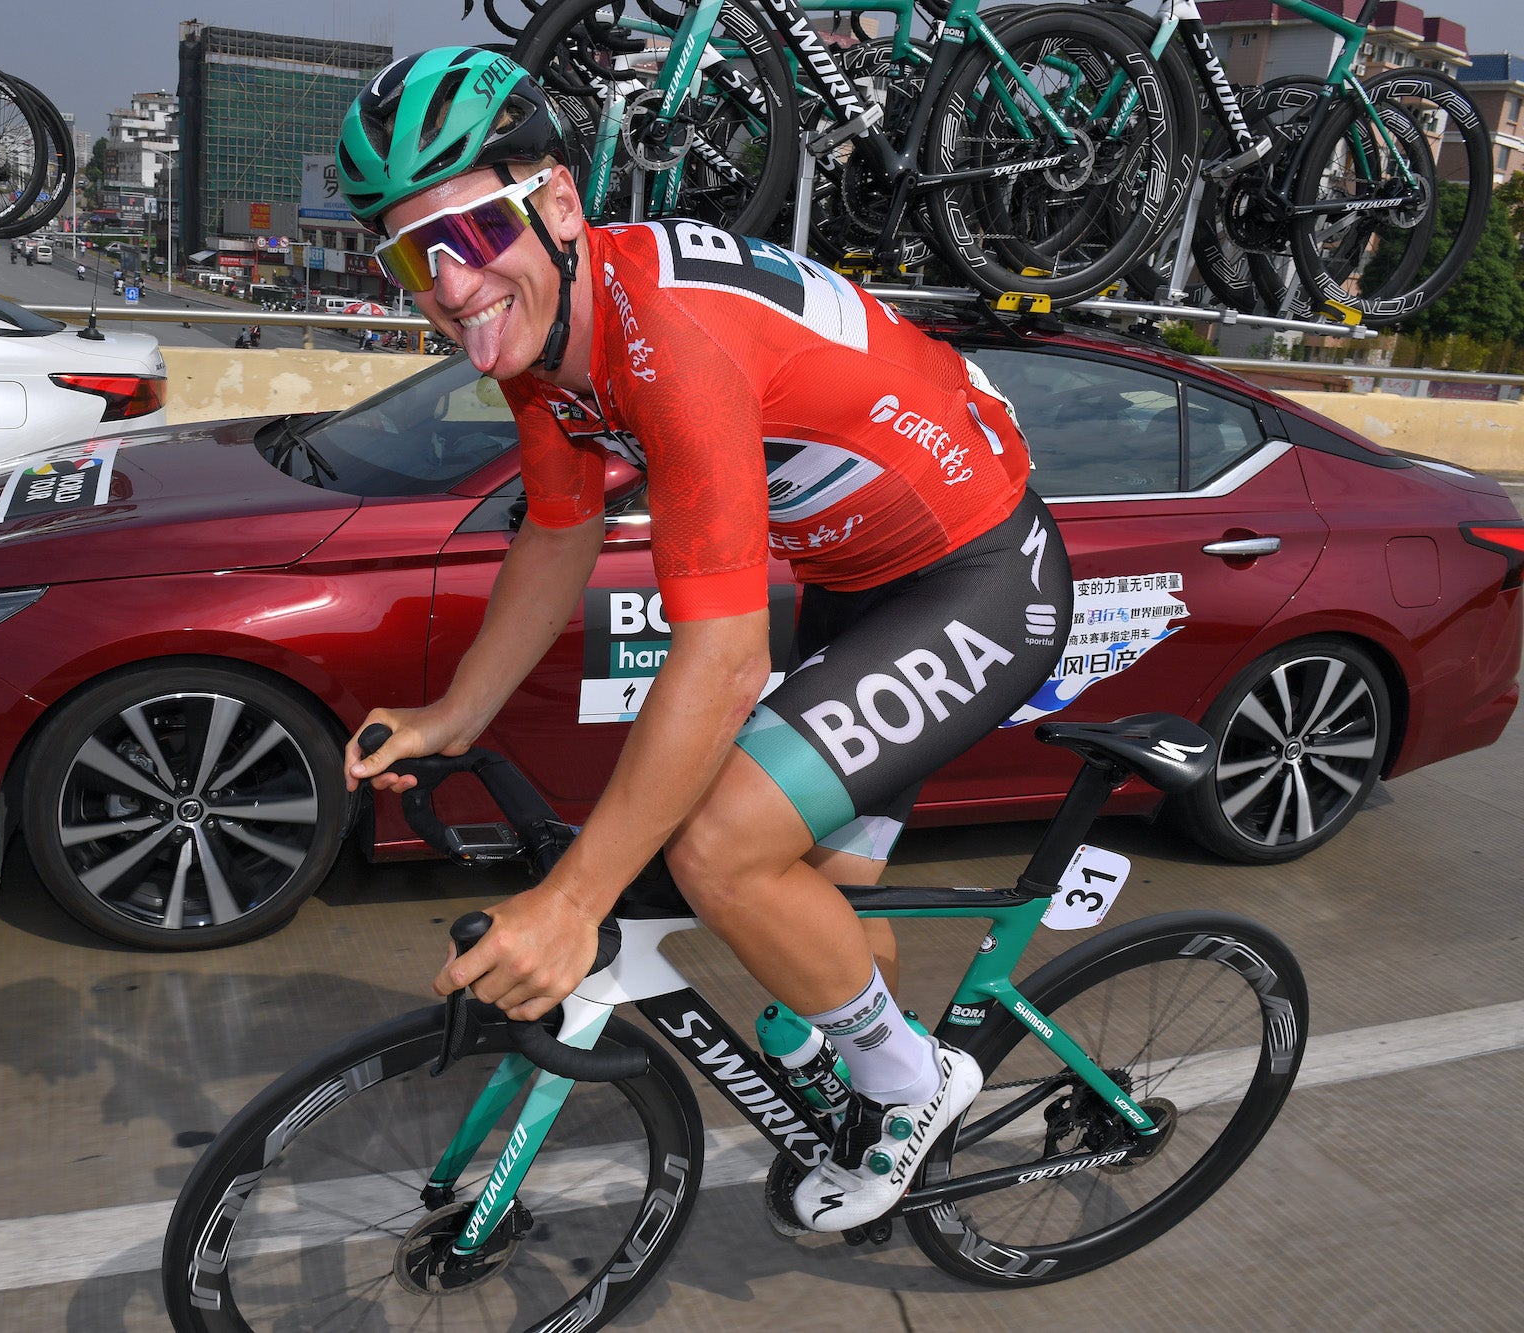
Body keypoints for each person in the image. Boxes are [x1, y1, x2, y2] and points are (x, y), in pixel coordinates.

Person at [336, 47, 1071, 1234]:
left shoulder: (667, 344)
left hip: (977, 578)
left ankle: (912, 1085)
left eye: (471, 236)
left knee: (720, 847)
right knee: (809, 900)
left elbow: (721, 657)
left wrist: (574, 900)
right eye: (415, 255)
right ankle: (871, 1053)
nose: (451, 286)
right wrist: (453, 715)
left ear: (559, 202)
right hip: (858, 581)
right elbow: (558, 533)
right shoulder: (553, 345)